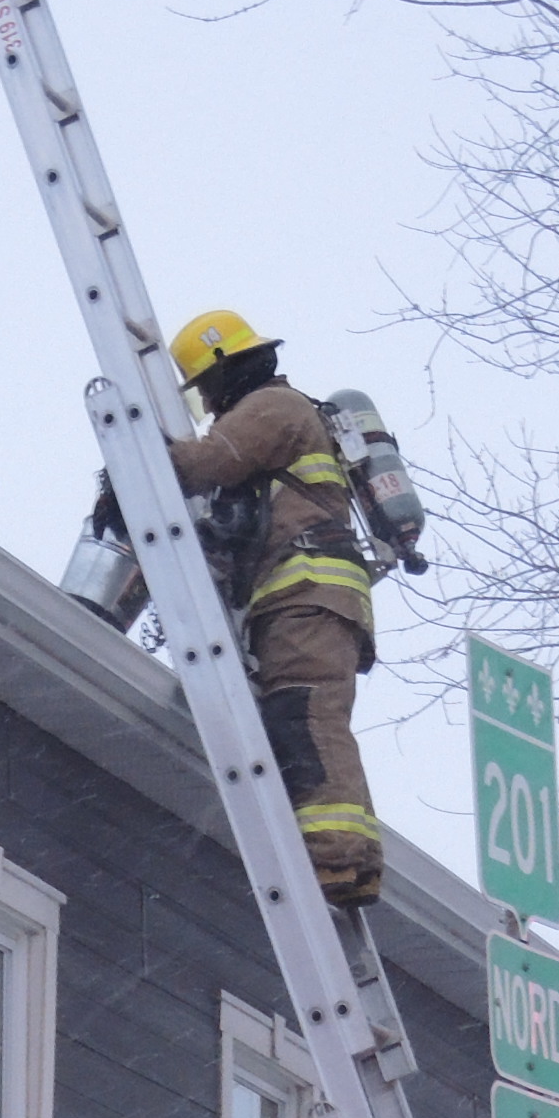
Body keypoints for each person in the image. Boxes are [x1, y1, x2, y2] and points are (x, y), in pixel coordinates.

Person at [163, 308, 385, 907]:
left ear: (224, 369)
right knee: (317, 720)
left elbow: (210, 461)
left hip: (305, 589)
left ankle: (334, 857)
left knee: (304, 719)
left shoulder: (273, 408)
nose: (208, 405)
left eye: (206, 389)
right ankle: (355, 860)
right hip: (313, 594)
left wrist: (140, 455)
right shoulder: (286, 410)